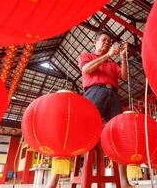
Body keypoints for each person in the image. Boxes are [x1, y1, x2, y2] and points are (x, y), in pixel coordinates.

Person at [48, 31, 131, 188]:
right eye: (104, 40)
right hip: (94, 92)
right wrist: (108, 55)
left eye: (109, 41)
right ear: (95, 42)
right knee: (77, 131)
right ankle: (55, 178)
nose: (107, 43)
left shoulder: (113, 65)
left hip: (113, 95)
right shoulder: (87, 55)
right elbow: (86, 70)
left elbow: (125, 77)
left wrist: (123, 57)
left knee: (118, 135)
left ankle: (124, 180)